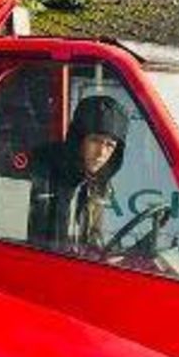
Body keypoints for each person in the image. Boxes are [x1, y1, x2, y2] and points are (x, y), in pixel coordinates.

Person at [28, 94, 129, 254]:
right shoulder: (41, 170)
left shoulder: (97, 184)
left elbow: (92, 238)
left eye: (110, 145)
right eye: (95, 140)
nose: (101, 153)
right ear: (79, 139)